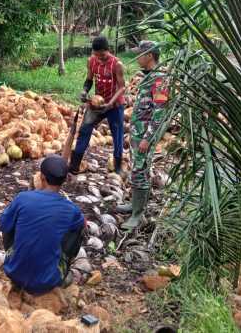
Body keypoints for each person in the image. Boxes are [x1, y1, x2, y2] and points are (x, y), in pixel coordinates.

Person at [0, 155, 85, 295]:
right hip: (48, 281)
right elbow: (82, 225)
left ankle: (15, 256)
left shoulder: (23, 198)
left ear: (42, 177)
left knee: (10, 218)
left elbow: (3, 225)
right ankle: (62, 264)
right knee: (78, 228)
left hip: (14, 273)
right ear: (64, 180)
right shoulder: (71, 209)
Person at [119, 40, 169, 232]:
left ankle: (138, 215)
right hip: (138, 134)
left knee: (141, 171)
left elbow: (160, 112)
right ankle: (134, 204)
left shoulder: (159, 79)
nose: (137, 57)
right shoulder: (147, 76)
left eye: (140, 54)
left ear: (149, 56)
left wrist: (148, 138)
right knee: (136, 169)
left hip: (144, 136)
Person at [69, 36, 126, 175]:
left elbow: (122, 87)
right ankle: (75, 165)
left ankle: (118, 167)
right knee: (84, 129)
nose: (100, 58)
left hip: (115, 105)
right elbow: (89, 79)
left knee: (117, 134)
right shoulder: (92, 61)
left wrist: (110, 104)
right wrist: (84, 91)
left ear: (108, 50)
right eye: (97, 55)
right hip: (97, 104)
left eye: (102, 55)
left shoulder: (117, 64)